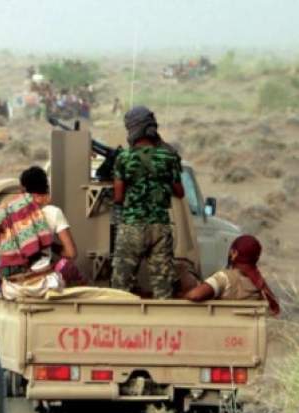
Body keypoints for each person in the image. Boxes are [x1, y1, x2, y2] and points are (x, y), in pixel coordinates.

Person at [111, 106, 184, 299]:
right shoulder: (168, 156)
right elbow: (180, 192)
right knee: (163, 287)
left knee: (120, 288)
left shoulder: (124, 158)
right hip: (160, 227)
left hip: (132, 226)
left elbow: (118, 197)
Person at [0, 166, 80, 285]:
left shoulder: (8, 211)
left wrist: (2, 235)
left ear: (22, 189)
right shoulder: (54, 212)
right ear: (46, 187)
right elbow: (71, 253)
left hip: (13, 283)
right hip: (42, 279)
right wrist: (47, 244)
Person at [185, 235, 280, 315]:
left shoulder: (224, 278)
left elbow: (195, 295)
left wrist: (184, 295)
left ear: (234, 253)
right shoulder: (259, 284)